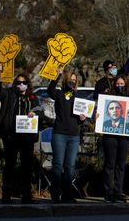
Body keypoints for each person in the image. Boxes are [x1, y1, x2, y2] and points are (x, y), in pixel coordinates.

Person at [0, 64, 41, 204]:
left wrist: (35, 112)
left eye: (24, 82)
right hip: (10, 136)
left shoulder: (32, 97)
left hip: (27, 137)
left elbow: (40, 109)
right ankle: (6, 194)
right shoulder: (8, 94)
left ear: (28, 84)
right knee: (10, 165)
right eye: (18, 82)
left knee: (26, 166)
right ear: (15, 83)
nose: (21, 85)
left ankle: (26, 195)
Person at [47, 70, 87, 203]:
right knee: (58, 164)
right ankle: (55, 194)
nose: (72, 81)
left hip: (74, 135)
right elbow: (49, 90)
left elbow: (82, 118)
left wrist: (83, 118)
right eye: (70, 79)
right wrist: (56, 75)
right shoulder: (58, 93)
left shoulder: (78, 96)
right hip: (59, 134)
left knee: (70, 166)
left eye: (75, 79)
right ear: (65, 80)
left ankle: (67, 195)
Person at [100, 75, 129, 202]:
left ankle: (119, 191)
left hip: (125, 137)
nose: (120, 86)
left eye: (122, 84)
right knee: (110, 164)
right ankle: (109, 191)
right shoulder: (108, 96)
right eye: (118, 84)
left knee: (121, 164)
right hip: (110, 135)